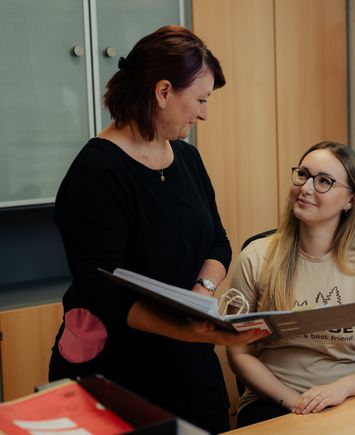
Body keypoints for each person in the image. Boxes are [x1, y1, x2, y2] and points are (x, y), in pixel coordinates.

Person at [48, 25, 269, 434]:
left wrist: (201, 294)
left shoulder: (187, 159)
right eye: (200, 99)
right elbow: (103, 292)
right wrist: (188, 328)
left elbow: (217, 242)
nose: (204, 114)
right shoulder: (97, 173)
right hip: (117, 372)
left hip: (190, 366)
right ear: (163, 92)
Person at [227, 141, 355, 427]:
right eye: (303, 175)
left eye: (324, 181)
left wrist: (339, 390)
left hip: (347, 400)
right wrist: (294, 402)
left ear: (351, 200)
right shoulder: (256, 257)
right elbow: (238, 353)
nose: (306, 188)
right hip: (273, 402)